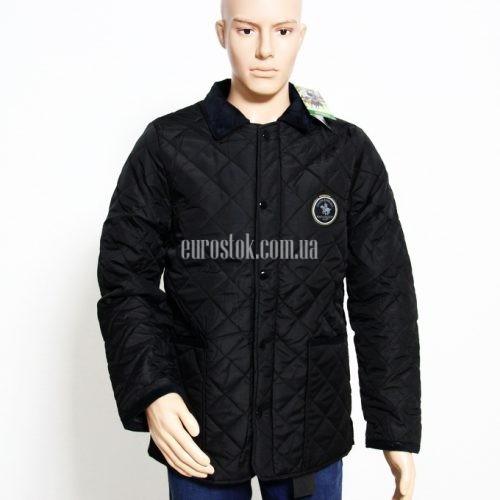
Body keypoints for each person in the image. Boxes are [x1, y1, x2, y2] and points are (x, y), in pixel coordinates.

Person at [96, 0, 421, 498]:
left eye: (283, 31)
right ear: (222, 32)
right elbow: (126, 280)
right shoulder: (168, 144)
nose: (266, 49)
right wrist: (153, 391)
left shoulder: (346, 151)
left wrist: (394, 429)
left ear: (301, 35)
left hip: (309, 423)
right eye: (247, 30)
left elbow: (384, 295)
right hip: (201, 424)